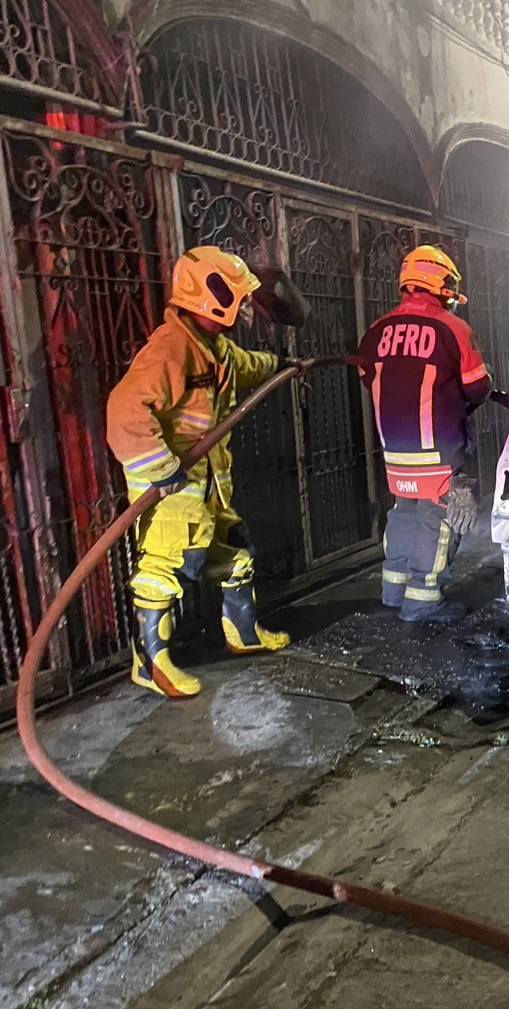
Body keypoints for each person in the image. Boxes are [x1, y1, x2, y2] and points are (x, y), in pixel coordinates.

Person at [107, 246, 300, 699]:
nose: (246, 307)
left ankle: (244, 634)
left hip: (205, 486)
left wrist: (282, 366)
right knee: (164, 571)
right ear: (211, 296)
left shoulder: (215, 349)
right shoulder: (171, 350)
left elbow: (247, 366)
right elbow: (124, 411)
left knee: (235, 554)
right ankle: (149, 665)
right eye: (239, 297)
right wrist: (161, 469)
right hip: (170, 492)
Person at [356, 245, 509, 623]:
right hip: (439, 449)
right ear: (442, 284)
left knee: (404, 513)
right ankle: (423, 602)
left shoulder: (376, 330)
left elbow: (366, 377)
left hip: (395, 449)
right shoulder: (453, 329)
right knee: (438, 519)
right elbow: (477, 387)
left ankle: (394, 591)